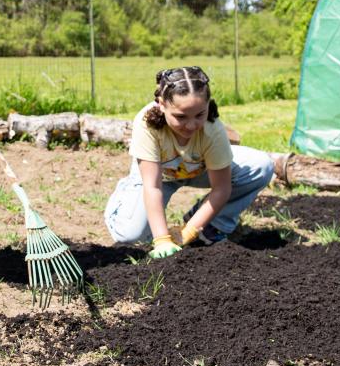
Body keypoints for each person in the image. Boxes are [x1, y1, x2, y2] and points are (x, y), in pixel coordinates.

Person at [104, 66, 275, 258]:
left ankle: (212, 225)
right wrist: (161, 239)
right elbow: (153, 187)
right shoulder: (147, 124)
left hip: (199, 170)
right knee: (131, 236)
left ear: (208, 106)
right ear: (161, 104)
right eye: (181, 117)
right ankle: (123, 202)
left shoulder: (213, 129)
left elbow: (222, 188)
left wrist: (190, 230)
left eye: (199, 115)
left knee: (262, 166)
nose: (191, 125)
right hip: (158, 177)